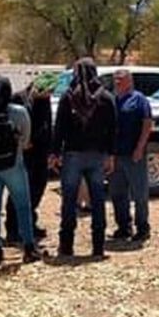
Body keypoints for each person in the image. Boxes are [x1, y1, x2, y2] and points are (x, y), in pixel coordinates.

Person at [50, 58, 117, 258]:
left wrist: (54, 153)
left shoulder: (68, 97)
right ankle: (98, 247)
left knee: (69, 201)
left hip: (72, 155)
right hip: (97, 155)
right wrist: (110, 155)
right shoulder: (106, 98)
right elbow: (113, 129)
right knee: (98, 201)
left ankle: (66, 245)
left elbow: (59, 128)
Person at [0, 76, 41, 265]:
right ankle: (28, 247)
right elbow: (26, 142)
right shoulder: (19, 112)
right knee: (23, 206)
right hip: (13, 164)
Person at [2, 73, 57, 243]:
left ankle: (29, 223)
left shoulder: (44, 100)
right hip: (23, 153)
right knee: (19, 192)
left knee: (37, 190)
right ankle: (13, 228)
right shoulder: (19, 99)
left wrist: (50, 151)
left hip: (40, 154)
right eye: (47, 91)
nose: (49, 95)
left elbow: (46, 125)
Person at [109, 69, 153, 242]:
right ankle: (123, 227)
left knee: (139, 193)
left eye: (121, 79)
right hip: (115, 155)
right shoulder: (112, 100)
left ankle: (142, 227)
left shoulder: (139, 99)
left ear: (130, 81)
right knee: (117, 193)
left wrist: (140, 147)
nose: (117, 82)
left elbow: (147, 123)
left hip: (134, 154)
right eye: (115, 79)